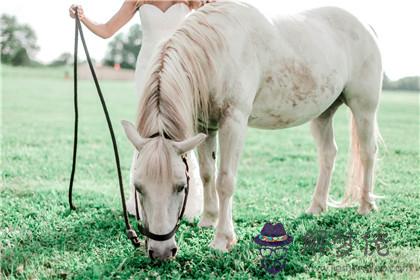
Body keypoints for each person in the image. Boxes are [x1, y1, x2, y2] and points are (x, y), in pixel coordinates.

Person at [69, 0, 212, 218]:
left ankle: (186, 199)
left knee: (180, 128)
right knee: (148, 130)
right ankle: (143, 197)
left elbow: (213, 19)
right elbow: (107, 31)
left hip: (181, 70)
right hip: (148, 69)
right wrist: (82, 17)